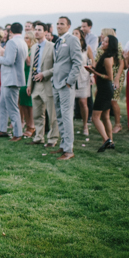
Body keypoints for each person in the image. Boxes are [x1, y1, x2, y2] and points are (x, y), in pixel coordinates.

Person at [50, 16, 82, 160]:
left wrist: (69, 81)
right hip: (56, 83)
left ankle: (69, 150)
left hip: (65, 84)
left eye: (62, 24)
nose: (59, 26)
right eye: (57, 24)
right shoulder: (58, 40)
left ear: (68, 26)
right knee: (60, 115)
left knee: (67, 115)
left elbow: (77, 62)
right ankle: (63, 145)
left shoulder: (72, 40)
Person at [25, 23, 59, 146]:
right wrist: (29, 84)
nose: (37, 32)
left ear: (46, 32)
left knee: (51, 113)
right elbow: (32, 69)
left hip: (47, 84)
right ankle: (39, 137)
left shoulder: (53, 47)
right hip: (35, 85)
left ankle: (52, 139)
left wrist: (44, 74)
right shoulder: (34, 47)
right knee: (37, 113)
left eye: (40, 30)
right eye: (36, 30)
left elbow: (57, 67)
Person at [0, 22, 28, 141]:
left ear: (10, 32)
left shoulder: (12, 42)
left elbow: (9, 61)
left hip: (11, 79)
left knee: (13, 107)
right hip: (10, 79)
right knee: (2, 104)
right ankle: (2, 129)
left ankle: (17, 133)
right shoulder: (23, 42)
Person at [85, 35, 118, 152]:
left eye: (106, 41)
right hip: (103, 88)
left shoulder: (108, 58)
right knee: (105, 116)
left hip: (105, 89)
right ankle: (111, 141)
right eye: (103, 41)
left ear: (110, 45)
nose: (102, 42)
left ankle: (106, 140)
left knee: (95, 117)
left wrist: (93, 71)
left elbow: (109, 77)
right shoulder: (104, 55)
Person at [95, 28, 126, 133]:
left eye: (102, 34)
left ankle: (118, 124)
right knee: (106, 100)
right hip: (103, 75)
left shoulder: (117, 45)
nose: (101, 36)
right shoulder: (101, 46)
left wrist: (117, 79)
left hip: (115, 74)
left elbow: (122, 63)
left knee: (113, 100)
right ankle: (105, 124)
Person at [72, 27, 94, 135]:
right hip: (71, 77)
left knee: (82, 102)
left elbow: (92, 63)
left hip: (83, 76)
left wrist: (92, 75)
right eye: (73, 33)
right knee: (70, 103)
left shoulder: (86, 48)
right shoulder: (69, 47)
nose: (74, 35)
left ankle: (85, 126)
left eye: (76, 33)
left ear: (81, 36)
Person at [19, 30, 36, 137]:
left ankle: (32, 125)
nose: (24, 40)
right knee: (22, 102)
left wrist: (24, 53)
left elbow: (29, 63)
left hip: (29, 77)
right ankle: (27, 123)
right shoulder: (26, 49)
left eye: (26, 38)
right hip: (22, 78)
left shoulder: (32, 50)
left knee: (30, 104)